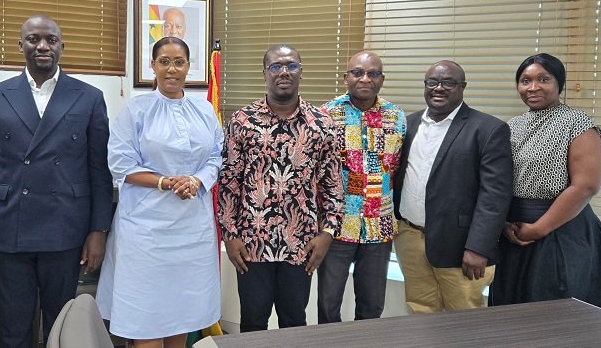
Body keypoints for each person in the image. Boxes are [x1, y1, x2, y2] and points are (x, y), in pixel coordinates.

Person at [0, 15, 112, 348]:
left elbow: (98, 171)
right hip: (8, 229)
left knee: (62, 329)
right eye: (33, 39)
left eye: (51, 40)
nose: (43, 46)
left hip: (65, 229)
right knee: (14, 331)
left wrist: (97, 231)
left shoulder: (89, 97)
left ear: (62, 45)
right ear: (21, 46)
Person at [97, 36, 223, 348]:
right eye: (164, 61)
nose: (171, 69)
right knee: (147, 319)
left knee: (181, 314)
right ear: (152, 66)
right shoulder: (135, 111)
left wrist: (196, 181)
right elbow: (120, 164)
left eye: (178, 62)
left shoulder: (205, 110)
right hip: (146, 233)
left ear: (189, 67)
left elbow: (216, 156)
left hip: (192, 230)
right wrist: (166, 183)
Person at [218, 44, 344, 332]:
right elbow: (228, 183)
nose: (284, 72)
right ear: (265, 73)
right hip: (251, 245)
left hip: (301, 244)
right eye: (276, 66)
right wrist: (230, 234)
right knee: (252, 321)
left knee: (294, 322)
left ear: (301, 72)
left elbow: (334, 184)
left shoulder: (322, 124)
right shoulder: (242, 121)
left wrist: (328, 233)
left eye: (291, 65)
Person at [489, 53, 601, 313]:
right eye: (525, 80)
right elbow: (499, 180)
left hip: (561, 229)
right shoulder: (512, 125)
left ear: (559, 83)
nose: (533, 87)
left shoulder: (578, 124)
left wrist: (538, 229)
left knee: (555, 311)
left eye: (543, 79)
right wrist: (504, 224)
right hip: (514, 231)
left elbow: (585, 186)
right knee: (512, 311)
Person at [393, 60, 512, 313]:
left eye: (448, 82)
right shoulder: (406, 125)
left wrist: (478, 247)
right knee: (420, 311)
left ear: (463, 87)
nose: (439, 88)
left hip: (460, 247)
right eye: (432, 82)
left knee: (464, 321)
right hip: (410, 238)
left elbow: (495, 196)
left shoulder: (488, 129)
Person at [317, 51, 406, 323]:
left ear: (382, 79)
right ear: (346, 77)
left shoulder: (396, 117)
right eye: (357, 72)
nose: (365, 78)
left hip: (378, 227)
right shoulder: (326, 115)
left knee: (371, 307)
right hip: (336, 227)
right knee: (328, 305)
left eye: (372, 73)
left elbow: (398, 169)